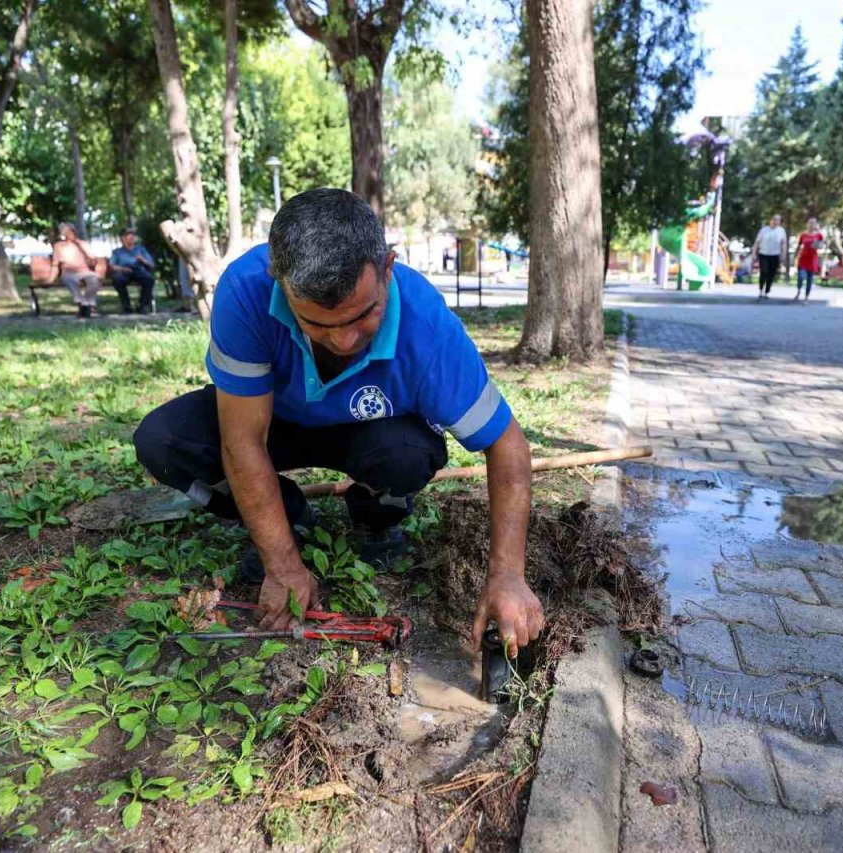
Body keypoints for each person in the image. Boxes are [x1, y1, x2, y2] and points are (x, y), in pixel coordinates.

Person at [133, 188, 545, 654]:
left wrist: (508, 575)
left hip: (370, 431)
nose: (345, 341)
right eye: (318, 323)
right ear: (279, 283)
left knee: (411, 454)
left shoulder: (426, 327)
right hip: (273, 424)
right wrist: (283, 563)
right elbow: (243, 441)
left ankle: (376, 517)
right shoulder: (244, 292)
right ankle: (289, 518)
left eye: (364, 314)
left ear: (387, 268)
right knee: (161, 440)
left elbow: (507, 444)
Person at [52, 222, 102, 318]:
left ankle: (88, 304)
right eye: (65, 232)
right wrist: (52, 277)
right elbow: (55, 263)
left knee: (94, 279)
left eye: (69, 231)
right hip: (68, 272)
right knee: (69, 280)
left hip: (85, 271)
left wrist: (92, 260)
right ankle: (82, 304)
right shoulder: (59, 246)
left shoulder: (83, 244)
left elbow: (92, 259)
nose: (68, 234)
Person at [108, 227, 156, 314]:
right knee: (117, 279)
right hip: (123, 271)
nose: (132, 238)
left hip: (139, 270)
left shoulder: (141, 249)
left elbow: (152, 265)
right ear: (122, 238)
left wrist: (143, 260)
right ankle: (126, 306)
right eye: (129, 236)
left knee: (149, 279)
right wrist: (122, 269)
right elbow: (112, 266)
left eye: (133, 236)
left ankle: (142, 305)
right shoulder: (117, 252)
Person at [751, 214, 787, 299]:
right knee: (764, 272)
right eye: (774, 219)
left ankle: (767, 291)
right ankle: (761, 290)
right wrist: (754, 253)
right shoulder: (764, 230)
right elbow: (757, 242)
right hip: (763, 254)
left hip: (775, 255)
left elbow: (784, 243)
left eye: (778, 220)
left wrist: (783, 254)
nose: (775, 221)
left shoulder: (781, 231)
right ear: (770, 220)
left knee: (772, 274)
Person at [794, 218, 824, 302]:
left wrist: (816, 245)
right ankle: (799, 290)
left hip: (812, 259)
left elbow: (821, 246)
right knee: (801, 276)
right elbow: (799, 246)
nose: (811, 225)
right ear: (807, 224)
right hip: (803, 258)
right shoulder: (803, 235)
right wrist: (796, 256)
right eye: (810, 223)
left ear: (816, 225)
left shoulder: (819, 235)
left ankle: (806, 296)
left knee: (810, 279)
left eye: (813, 223)